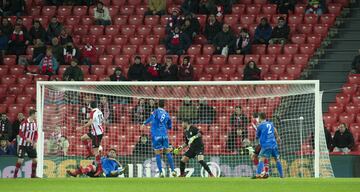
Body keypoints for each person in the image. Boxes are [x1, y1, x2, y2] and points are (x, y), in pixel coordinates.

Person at [141, 100, 176, 177]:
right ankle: (173, 170)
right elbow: (170, 127)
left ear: (158, 105)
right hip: (164, 135)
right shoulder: (167, 114)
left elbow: (151, 118)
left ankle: (160, 172)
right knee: (167, 152)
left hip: (156, 135)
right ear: (164, 105)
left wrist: (144, 123)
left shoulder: (156, 112)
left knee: (157, 153)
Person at [76, 101, 105, 177]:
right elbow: (101, 120)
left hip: (96, 134)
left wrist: (81, 127)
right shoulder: (99, 111)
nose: (88, 105)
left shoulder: (92, 112)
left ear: (90, 105)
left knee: (96, 152)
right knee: (83, 138)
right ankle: (89, 152)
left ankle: (100, 168)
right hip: (95, 132)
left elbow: (91, 122)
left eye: (88, 104)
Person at [253, 112, 283, 179]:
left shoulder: (260, 126)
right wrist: (277, 137)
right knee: (277, 159)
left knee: (261, 159)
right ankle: (282, 176)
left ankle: (258, 175)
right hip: (274, 144)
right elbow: (274, 129)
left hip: (266, 145)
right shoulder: (270, 123)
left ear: (260, 118)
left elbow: (257, 137)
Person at [13, 109, 38, 178]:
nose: (36, 116)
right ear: (32, 115)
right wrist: (26, 138)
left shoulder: (35, 123)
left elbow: (36, 133)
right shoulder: (24, 123)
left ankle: (33, 175)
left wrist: (35, 142)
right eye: (36, 114)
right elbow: (20, 133)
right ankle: (15, 175)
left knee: (35, 160)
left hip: (31, 145)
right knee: (20, 160)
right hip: (23, 145)